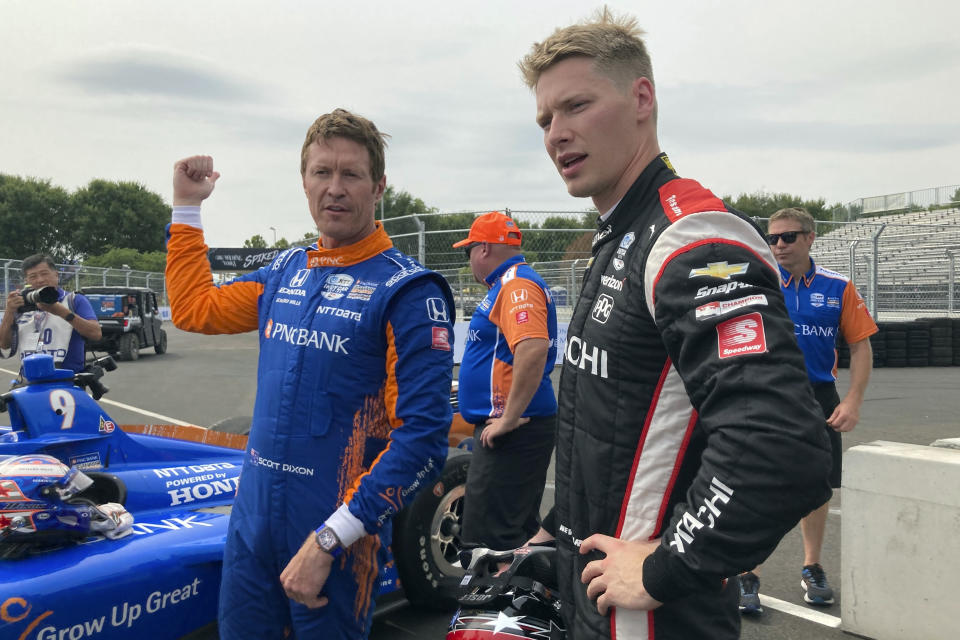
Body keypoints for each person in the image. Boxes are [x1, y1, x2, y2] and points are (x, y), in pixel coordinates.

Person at [519, 9, 833, 639]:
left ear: (642, 97)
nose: (557, 133)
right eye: (546, 119)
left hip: (652, 616)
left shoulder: (687, 236)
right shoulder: (619, 236)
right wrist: (557, 530)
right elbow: (614, 427)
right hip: (597, 597)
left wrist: (667, 567)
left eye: (576, 106)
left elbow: (780, 445)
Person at [165, 108, 455, 640]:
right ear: (304, 182)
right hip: (252, 528)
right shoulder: (284, 271)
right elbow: (194, 309)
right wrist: (187, 208)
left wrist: (330, 539)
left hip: (337, 540)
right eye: (322, 172)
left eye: (351, 174)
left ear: (379, 186)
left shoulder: (409, 292)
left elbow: (424, 442)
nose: (335, 188)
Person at [737, 207, 877, 611]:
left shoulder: (838, 287)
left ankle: (812, 566)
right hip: (765, 394)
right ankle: (748, 571)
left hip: (819, 396)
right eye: (773, 238)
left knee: (819, 485)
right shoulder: (757, 283)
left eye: (789, 237)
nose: (779, 245)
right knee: (757, 483)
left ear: (810, 237)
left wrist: (852, 400)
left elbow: (861, 345)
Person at [452, 211, 557, 553]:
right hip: (515, 429)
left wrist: (510, 418)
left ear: (483, 249)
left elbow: (532, 347)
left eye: (469, 251)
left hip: (512, 432)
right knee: (515, 534)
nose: (469, 259)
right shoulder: (509, 283)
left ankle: (498, 603)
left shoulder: (515, 285)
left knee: (487, 541)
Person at [0, 254, 101, 374]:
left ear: (56, 275)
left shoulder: (73, 300)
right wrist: (9, 311)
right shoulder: (21, 304)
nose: (40, 280)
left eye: (44, 273)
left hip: (67, 380)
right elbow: (4, 345)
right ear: (26, 281)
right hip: (30, 379)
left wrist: (62, 312)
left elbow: (96, 334)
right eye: (33, 276)